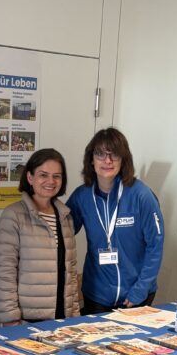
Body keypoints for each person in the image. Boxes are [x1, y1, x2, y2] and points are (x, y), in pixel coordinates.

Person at [67, 127, 164, 314]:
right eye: (100, 154)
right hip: (97, 296)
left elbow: (156, 245)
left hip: (136, 296)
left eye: (114, 155)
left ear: (124, 159)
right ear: (91, 160)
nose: (107, 161)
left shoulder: (141, 195)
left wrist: (140, 289)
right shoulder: (82, 196)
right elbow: (63, 232)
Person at [0, 148, 79, 325]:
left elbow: (71, 271)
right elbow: (4, 273)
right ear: (30, 178)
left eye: (57, 176)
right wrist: (10, 319)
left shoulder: (65, 216)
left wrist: (74, 315)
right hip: (26, 321)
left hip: (63, 318)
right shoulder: (13, 215)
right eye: (43, 175)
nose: (51, 181)